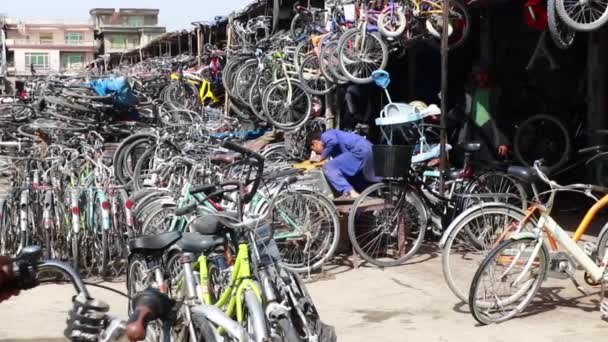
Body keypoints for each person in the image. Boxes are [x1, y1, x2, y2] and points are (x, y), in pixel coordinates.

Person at [308, 129, 381, 200]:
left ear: (314, 142)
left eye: (315, 151)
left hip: (360, 151)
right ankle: (369, 194)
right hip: (372, 151)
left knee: (328, 167)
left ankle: (350, 192)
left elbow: (333, 141)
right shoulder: (334, 147)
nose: (317, 154)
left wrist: (322, 157)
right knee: (352, 176)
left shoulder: (326, 135)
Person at [458, 64, 509, 162]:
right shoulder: (469, 91)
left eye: (484, 74)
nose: (481, 77)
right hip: (472, 131)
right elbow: (464, 115)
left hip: (490, 131)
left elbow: (500, 118)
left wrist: (502, 142)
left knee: (490, 163)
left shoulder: (495, 92)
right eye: (478, 74)